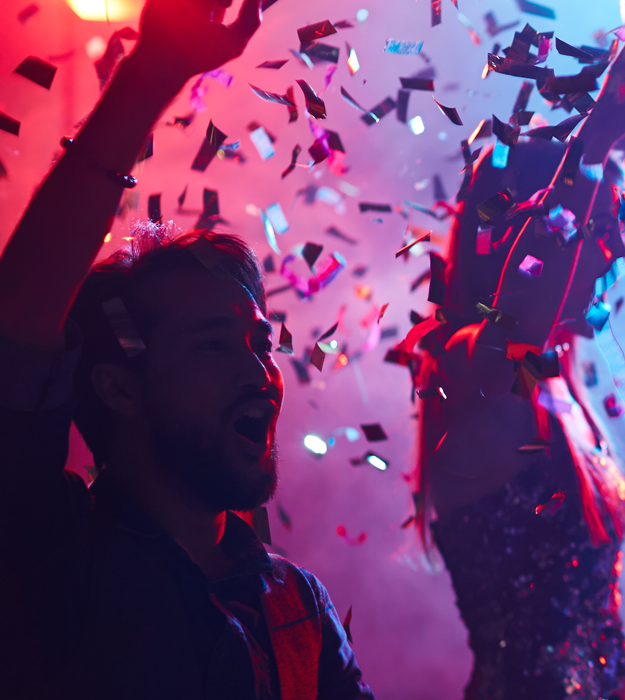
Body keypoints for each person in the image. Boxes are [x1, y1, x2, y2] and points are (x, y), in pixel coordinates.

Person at [0, 0, 376, 697]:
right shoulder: (44, 553)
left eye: (260, 342)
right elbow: (16, 322)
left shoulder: (299, 608)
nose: (258, 371)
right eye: (212, 346)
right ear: (120, 387)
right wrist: (152, 74)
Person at [403, 12, 625, 699]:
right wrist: (591, 143)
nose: (611, 254)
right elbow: (523, 309)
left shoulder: (558, 374)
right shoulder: (462, 368)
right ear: (517, 238)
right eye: (591, 231)